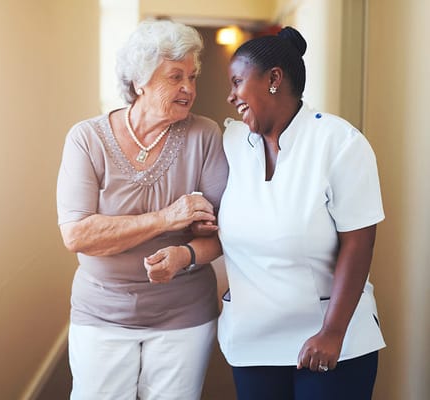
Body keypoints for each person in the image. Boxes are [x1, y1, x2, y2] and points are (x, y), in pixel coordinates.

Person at [56, 20, 228, 400]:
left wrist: (183, 255)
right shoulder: (87, 139)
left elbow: (220, 235)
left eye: (192, 76)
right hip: (101, 313)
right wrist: (169, 218)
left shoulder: (205, 135)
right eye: (175, 76)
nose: (189, 88)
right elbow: (77, 234)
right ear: (139, 82)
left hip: (183, 316)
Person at [218, 26, 384, 399]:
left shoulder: (340, 143)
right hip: (252, 342)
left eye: (238, 82)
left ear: (274, 78)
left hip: (329, 339)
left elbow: (359, 243)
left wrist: (332, 332)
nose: (230, 96)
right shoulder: (231, 143)